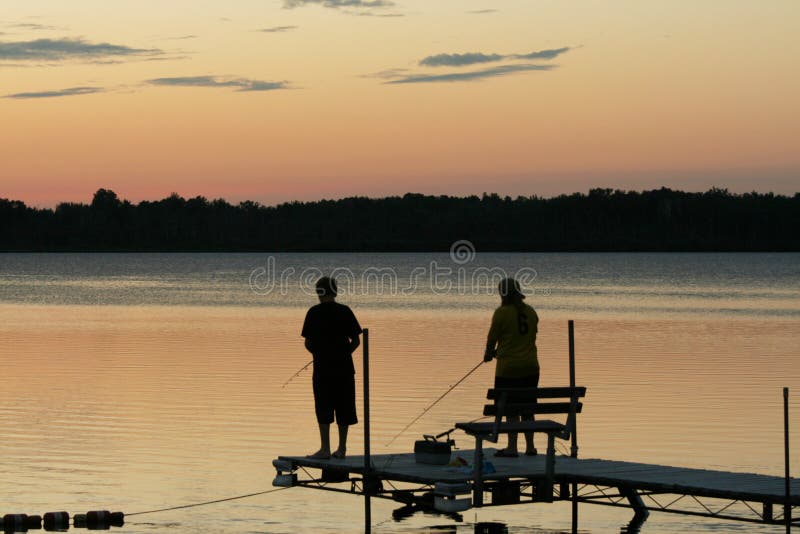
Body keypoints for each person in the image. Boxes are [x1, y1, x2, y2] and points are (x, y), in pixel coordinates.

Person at [301, 276, 362, 459]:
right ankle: (342, 448)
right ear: (335, 291)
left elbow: (308, 343)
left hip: (322, 369)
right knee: (345, 407)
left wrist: (319, 355)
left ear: (319, 293)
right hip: (344, 369)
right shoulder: (345, 311)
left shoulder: (313, 312)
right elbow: (357, 341)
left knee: (323, 406)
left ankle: (325, 448)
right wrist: (344, 354)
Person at [483, 278, 540, 457]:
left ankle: (512, 447)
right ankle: (530, 447)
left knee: (510, 409)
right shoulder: (531, 312)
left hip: (508, 368)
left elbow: (493, 337)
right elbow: (530, 336)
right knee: (528, 408)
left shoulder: (502, 313)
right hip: (531, 367)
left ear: (503, 293)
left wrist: (489, 353)